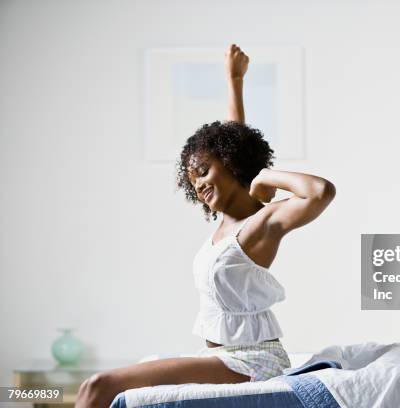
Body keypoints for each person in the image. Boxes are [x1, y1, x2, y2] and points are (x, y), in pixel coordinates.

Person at [75, 44, 335, 408]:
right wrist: (234, 81)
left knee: (99, 387)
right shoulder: (226, 222)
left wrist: (263, 175)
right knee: (98, 387)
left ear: (231, 164)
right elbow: (236, 135)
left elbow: (320, 192)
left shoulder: (259, 223)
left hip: (252, 361)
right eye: (191, 179)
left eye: (203, 171)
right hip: (222, 356)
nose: (197, 184)